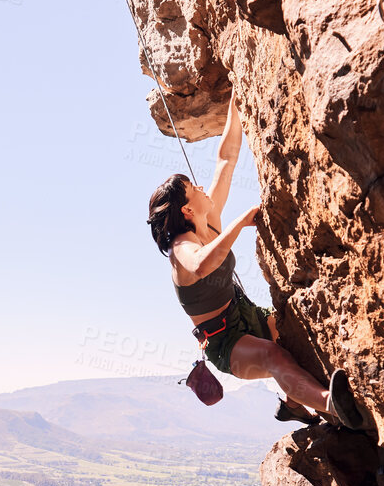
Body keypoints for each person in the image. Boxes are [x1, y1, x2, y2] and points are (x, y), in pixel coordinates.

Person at [145, 101, 363, 429]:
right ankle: (332, 406)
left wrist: (237, 97)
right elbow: (202, 265)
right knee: (273, 357)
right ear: (187, 211)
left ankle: (293, 405)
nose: (203, 188)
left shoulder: (208, 219)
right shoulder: (181, 248)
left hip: (246, 314)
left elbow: (226, 158)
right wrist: (241, 221)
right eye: (194, 189)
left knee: (297, 331)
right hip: (225, 342)